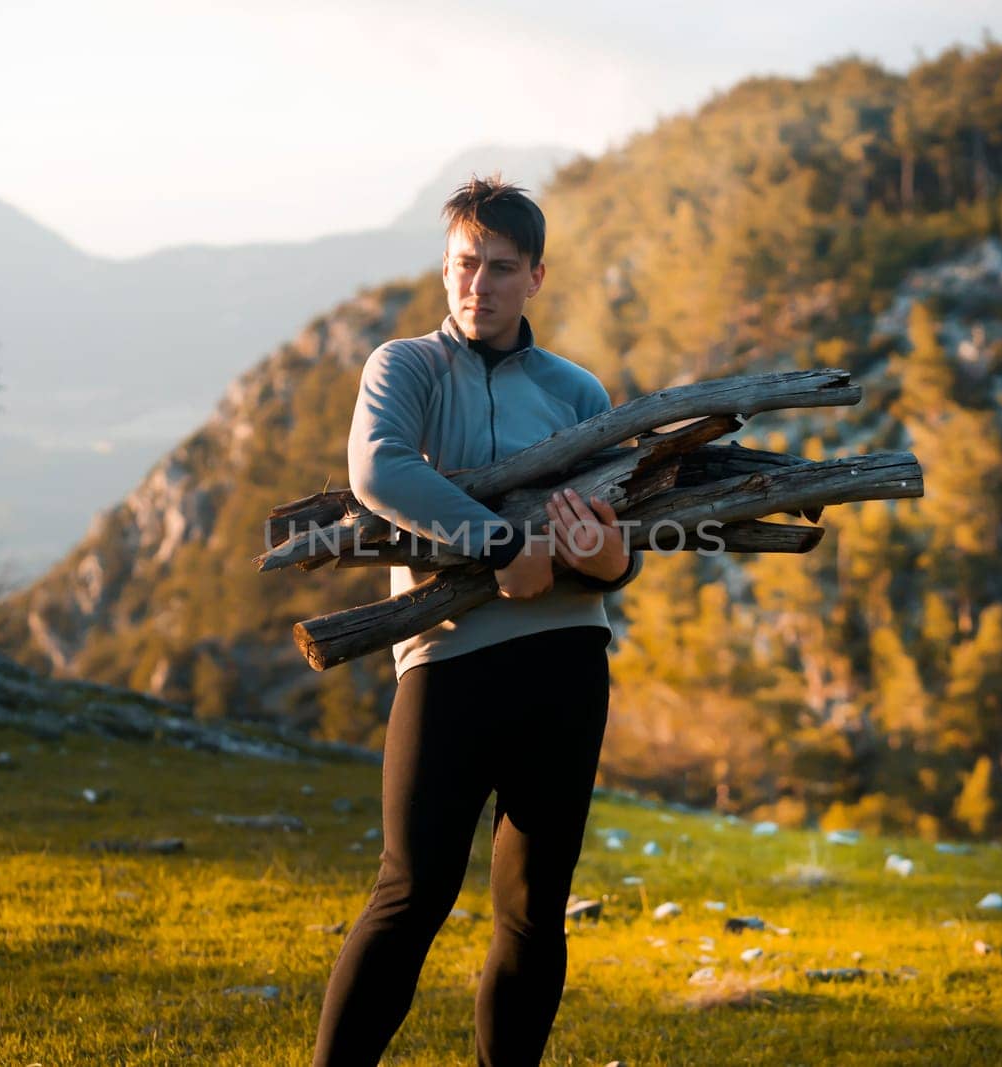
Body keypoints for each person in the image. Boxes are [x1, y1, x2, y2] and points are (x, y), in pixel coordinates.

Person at [311, 175, 642, 1067]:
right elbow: (380, 469)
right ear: (445, 265)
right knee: (412, 887)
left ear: (536, 276)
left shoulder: (578, 390)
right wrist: (502, 546)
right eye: (465, 264)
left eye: (501, 267)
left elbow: (621, 529)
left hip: (568, 663)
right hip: (448, 663)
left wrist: (611, 562)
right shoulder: (407, 367)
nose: (479, 285)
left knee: (534, 908)